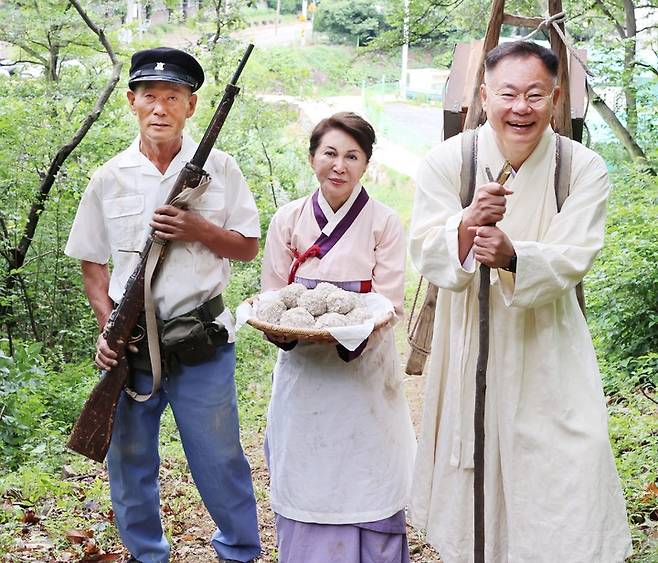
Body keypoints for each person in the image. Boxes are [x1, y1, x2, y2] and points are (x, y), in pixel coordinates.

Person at [409, 41, 631, 562]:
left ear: (555, 100)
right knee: (476, 492)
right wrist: (464, 225)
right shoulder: (449, 162)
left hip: (549, 350)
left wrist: (513, 256)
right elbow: (424, 247)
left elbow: (574, 256)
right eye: (508, 93)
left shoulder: (582, 168)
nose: (521, 107)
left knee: (568, 480)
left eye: (535, 94)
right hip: (469, 351)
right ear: (485, 97)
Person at [65, 47, 261, 563]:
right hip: (132, 346)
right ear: (131, 102)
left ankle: (239, 551)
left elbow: (247, 246)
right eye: (149, 96)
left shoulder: (221, 168)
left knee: (219, 458)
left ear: (190, 106)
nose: (160, 108)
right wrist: (109, 326)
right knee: (129, 462)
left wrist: (200, 230)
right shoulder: (109, 177)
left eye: (172, 97)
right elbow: (92, 262)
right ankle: (146, 555)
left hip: (202, 340)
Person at [260, 112, 417, 562]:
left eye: (352, 155)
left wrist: (350, 330)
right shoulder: (287, 219)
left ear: (366, 163)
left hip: (364, 372)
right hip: (303, 372)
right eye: (330, 152)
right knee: (306, 468)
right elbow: (273, 297)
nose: (339, 165)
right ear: (312, 157)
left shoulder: (383, 221)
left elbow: (388, 301)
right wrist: (289, 331)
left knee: (367, 469)